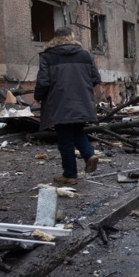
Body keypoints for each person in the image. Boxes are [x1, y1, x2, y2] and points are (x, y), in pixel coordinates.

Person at [35, 26, 102, 186]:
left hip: (59, 102)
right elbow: (95, 78)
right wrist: (82, 88)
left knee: (65, 139)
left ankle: (70, 175)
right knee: (77, 130)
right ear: (71, 37)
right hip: (82, 101)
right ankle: (89, 154)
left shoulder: (48, 56)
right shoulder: (85, 54)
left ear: (55, 39)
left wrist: (39, 96)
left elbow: (44, 81)